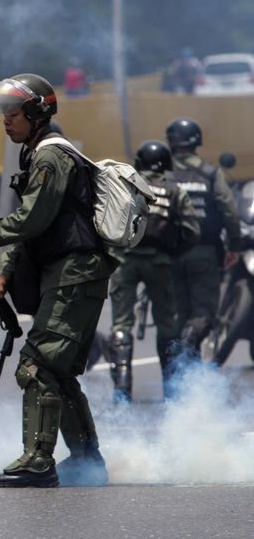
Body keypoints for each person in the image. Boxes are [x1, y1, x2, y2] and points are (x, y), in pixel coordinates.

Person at [0, 74, 112, 487]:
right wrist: (3, 275)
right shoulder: (37, 153)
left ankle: (38, 460)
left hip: (75, 272)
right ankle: (87, 461)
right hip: (70, 272)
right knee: (58, 371)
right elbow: (33, 230)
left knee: (36, 364)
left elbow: (30, 219)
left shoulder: (50, 157)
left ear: (37, 113)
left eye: (13, 113)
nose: (5, 121)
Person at [106, 140, 200, 402]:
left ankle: (122, 386)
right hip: (160, 264)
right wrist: (172, 253)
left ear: (139, 163)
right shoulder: (174, 191)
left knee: (121, 323)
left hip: (124, 262)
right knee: (167, 325)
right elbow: (192, 232)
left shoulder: (125, 186)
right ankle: (170, 386)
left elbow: (105, 222)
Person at [166, 117, 241, 356]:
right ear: (197, 141)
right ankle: (187, 353)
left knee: (181, 313)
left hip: (169, 254)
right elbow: (229, 209)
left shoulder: (162, 173)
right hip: (204, 251)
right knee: (204, 315)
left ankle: (183, 371)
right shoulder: (210, 173)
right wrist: (234, 245)